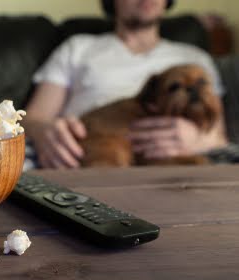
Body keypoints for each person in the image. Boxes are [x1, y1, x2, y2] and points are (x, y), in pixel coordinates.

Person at [23, 0, 228, 169]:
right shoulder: (77, 47)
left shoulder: (195, 57)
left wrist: (197, 140)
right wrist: (44, 132)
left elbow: (220, 136)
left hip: (173, 167)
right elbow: (32, 118)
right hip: (87, 155)